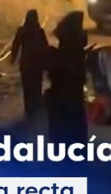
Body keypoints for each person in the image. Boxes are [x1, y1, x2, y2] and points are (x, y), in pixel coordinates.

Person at [45, 12, 89, 144]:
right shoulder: (76, 50)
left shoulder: (64, 50)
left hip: (62, 95)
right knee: (74, 127)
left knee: (61, 130)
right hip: (72, 95)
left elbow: (55, 72)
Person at [11, 10, 48, 116]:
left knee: (27, 87)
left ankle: (28, 108)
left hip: (26, 64)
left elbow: (16, 45)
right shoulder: (40, 31)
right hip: (37, 64)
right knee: (37, 86)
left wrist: (13, 58)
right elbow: (45, 46)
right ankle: (36, 106)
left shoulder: (22, 31)